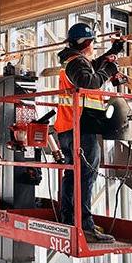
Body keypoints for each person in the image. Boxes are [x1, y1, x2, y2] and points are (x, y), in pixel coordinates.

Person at [54, 22, 125, 243]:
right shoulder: (76, 64)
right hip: (80, 127)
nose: (94, 47)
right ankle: (84, 226)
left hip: (70, 126)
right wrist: (110, 70)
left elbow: (92, 67)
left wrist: (112, 53)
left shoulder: (74, 61)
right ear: (87, 43)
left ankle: (69, 219)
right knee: (86, 175)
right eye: (93, 43)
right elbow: (89, 80)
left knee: (74, 174)